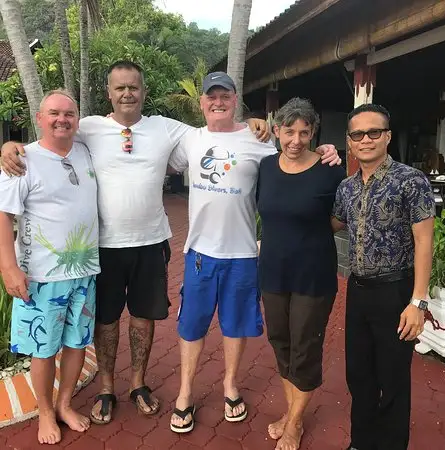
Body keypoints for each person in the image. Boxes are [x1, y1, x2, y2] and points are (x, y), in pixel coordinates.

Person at [0, 61, 271, 426]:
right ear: (109, 93)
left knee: (144, 318)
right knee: (107, 321)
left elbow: (219, 130)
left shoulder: (166, 128)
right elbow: (51, 138)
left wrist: (256, 125)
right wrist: (9, 145)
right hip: (104, 247)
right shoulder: (89, 128)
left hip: (151, 242)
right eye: (119, 87)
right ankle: (107, 387)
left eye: (134, 87)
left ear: (143, 91)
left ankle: (139, 383)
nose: (127, 93)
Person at [167, 74, 342, 434]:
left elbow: (294, 156)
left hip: (244, 254)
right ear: (202, 103)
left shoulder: (259, 143)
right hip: (199, 251)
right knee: (191, 325)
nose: (218, 102)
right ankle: (185, 393)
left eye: (225, 96)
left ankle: (231, 386)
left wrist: (328, 150)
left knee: (236, 325)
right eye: (211, 96)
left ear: (236, 101)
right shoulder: (189, 138)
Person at [331, 104, 435, 450]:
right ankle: (361, 441)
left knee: (392, 379)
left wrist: (417, 302)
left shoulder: (410, 181)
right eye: (357, 134)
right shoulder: (346, 187)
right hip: (358, 292)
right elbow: (331, 223)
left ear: (387, 136)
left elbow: (424, 241)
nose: (365, 139)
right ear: (349, 141)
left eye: (373, 132)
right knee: (359, 375)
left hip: (396, 292)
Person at [0, 90, 99, 445]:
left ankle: (64, 404)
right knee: (43, 350)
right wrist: (8, 267)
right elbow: (3, 215)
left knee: (76, 344)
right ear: (39, 118)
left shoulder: (85, 150)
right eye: (54, 113)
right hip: (41, 277)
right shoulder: (22, 160)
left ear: (77, 119)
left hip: (84, 271)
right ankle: (44, 411)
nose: (62, 119)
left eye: (69, 114)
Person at [256, 98, 345, 450]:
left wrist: (314, 230)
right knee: (281, 342)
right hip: (273, 272)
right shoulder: (265, 167)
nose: (296, 140)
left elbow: (343, 216)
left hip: (313, 275)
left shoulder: (330, 170)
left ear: (313, 133)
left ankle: (294, 422)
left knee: (305, 347)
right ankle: (291, 410)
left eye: (304, 132)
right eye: (288, 131)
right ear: (277, 130)